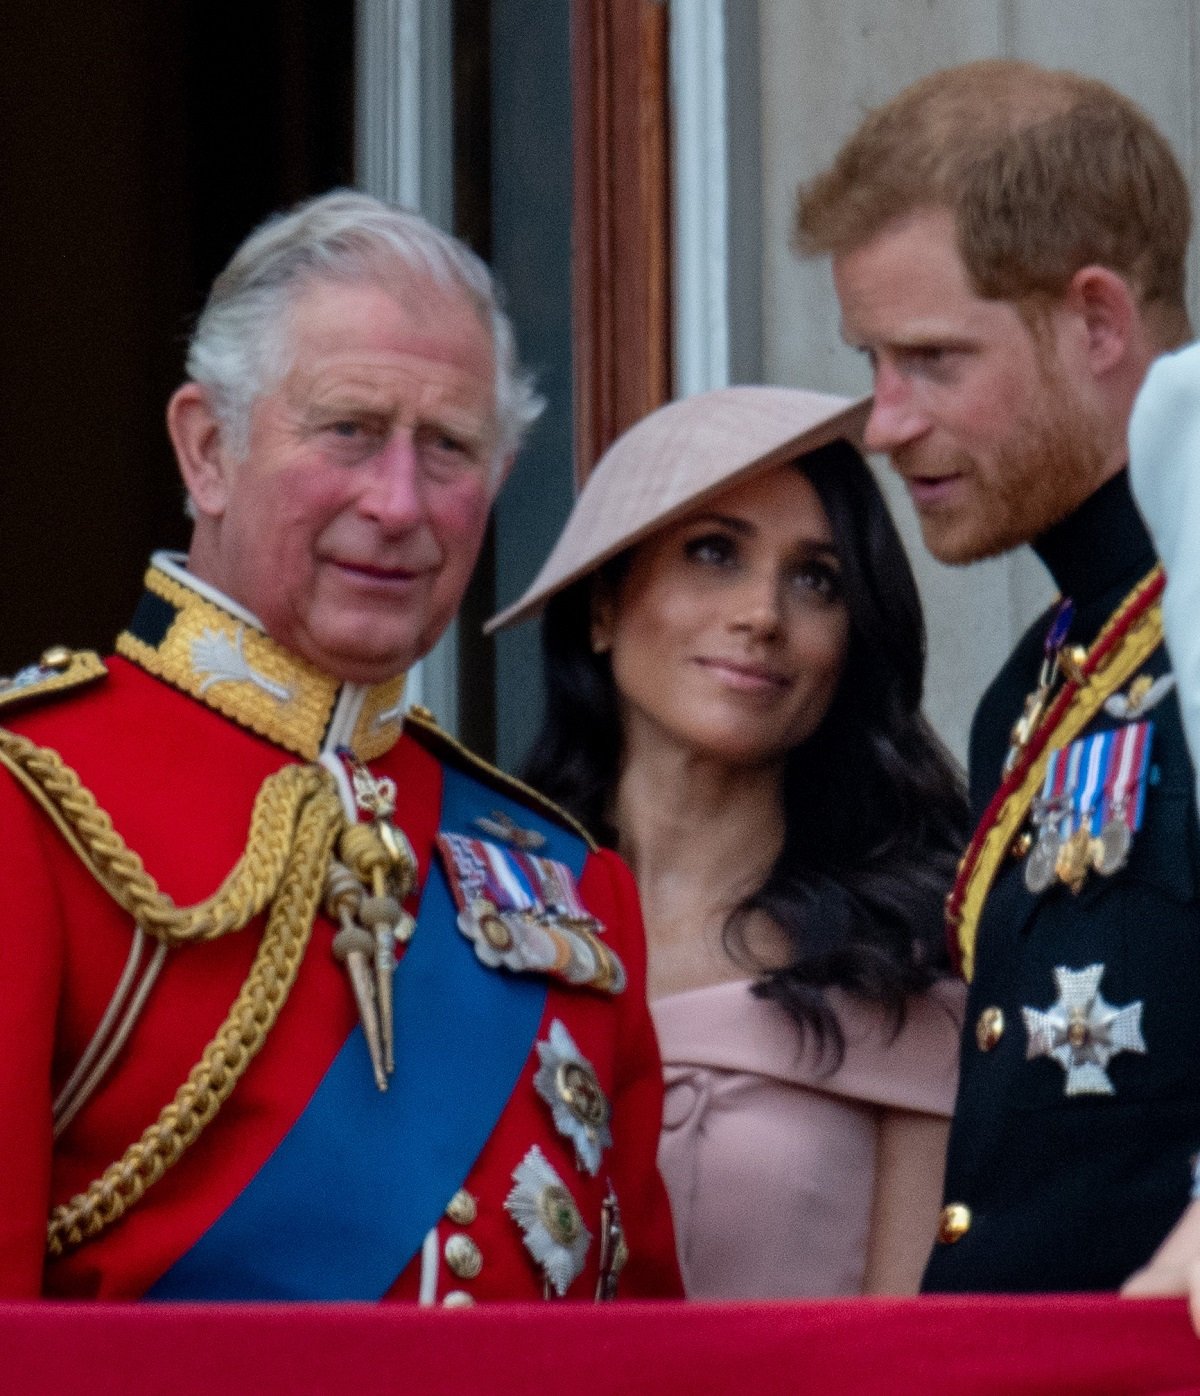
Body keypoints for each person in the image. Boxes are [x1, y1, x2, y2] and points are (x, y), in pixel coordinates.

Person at [0, 190, 681, 1303]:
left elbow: (638, 1341)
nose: (400, 501)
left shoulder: (571, 881)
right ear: (208, 448)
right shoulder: (30, 804)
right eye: (349, 430)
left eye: (450, 448)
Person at [796, 58, 1200, 1294]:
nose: (885, 421)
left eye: (931, 358)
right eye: (873, 361)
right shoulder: (1038, 676)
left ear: (1096, 321)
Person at [487, 385, 968, 1297]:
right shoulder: (477, 915)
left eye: (816, 579)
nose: (763, 614)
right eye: (714, 554)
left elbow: (911, 1354)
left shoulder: (908, 966)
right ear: (601, 606)